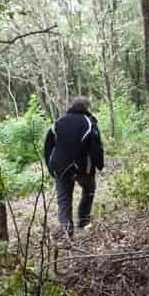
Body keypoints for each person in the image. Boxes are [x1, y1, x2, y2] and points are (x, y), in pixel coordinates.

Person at [44, 96, 105, 238]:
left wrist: (50, 167)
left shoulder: (58, 123)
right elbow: (96, 146)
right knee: (89, 190)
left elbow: (47, 148)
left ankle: (67, 231)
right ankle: (83, 222)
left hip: (59, 167)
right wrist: (99, 164)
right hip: (83, 168)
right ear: (87, 108)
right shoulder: (89, 122)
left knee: (64, 199)